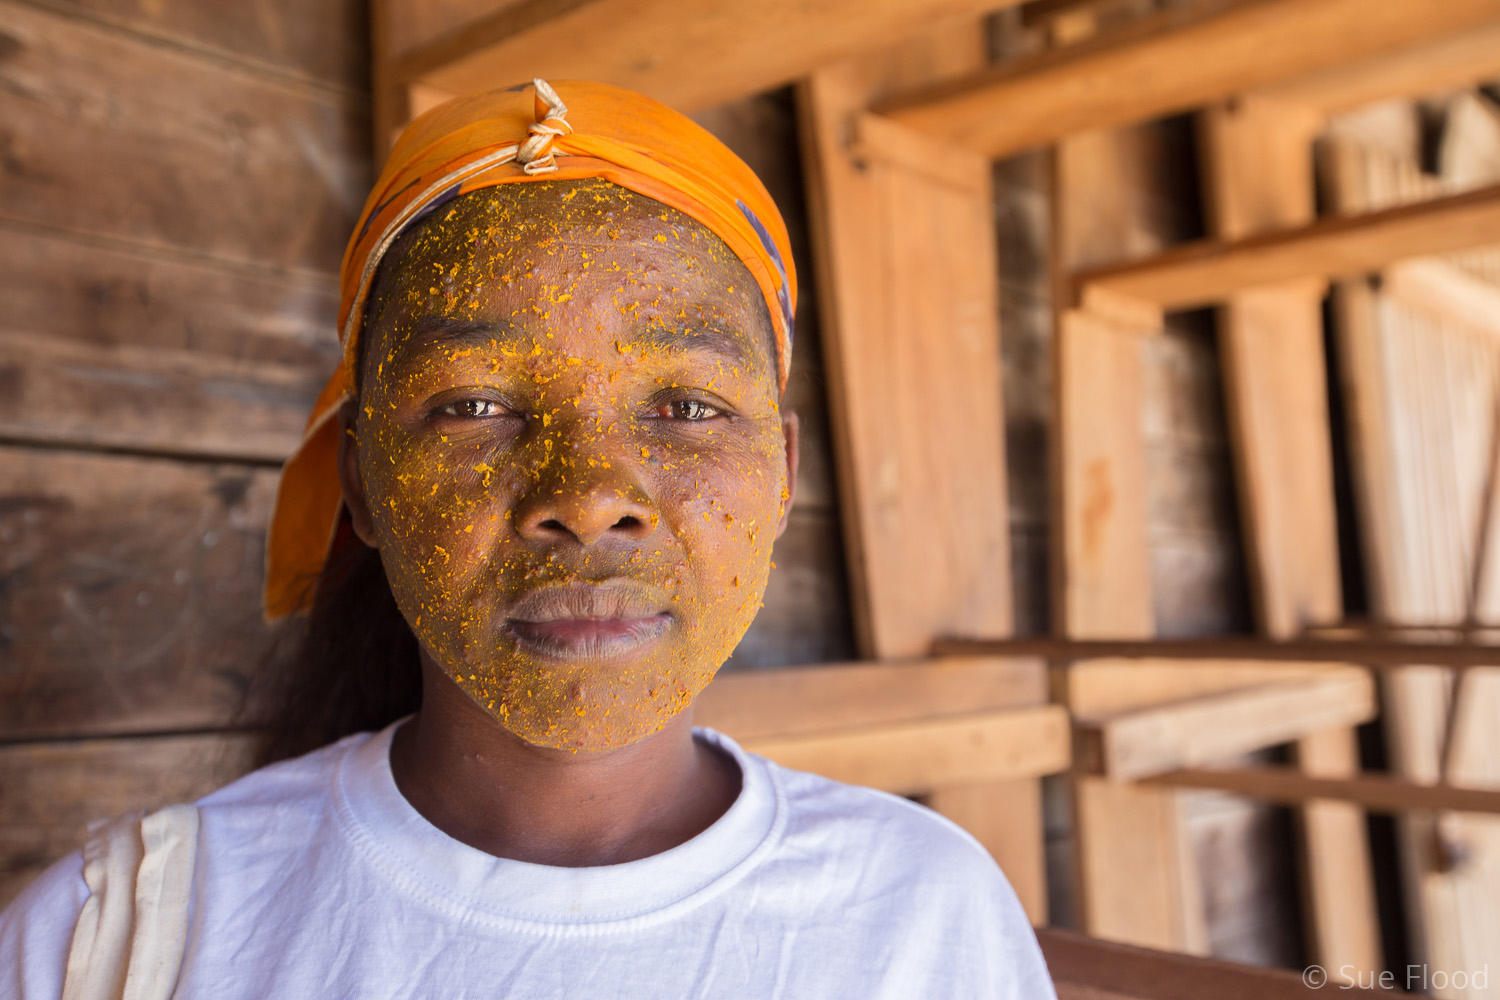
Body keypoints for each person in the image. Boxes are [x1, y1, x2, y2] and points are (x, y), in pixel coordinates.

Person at [0, 79, 1056, 999]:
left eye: (686, 406)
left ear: (783, 475)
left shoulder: (924, 912)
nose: (591, 497)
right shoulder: (120, 936)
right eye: (475, 405)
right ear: (361, 482)